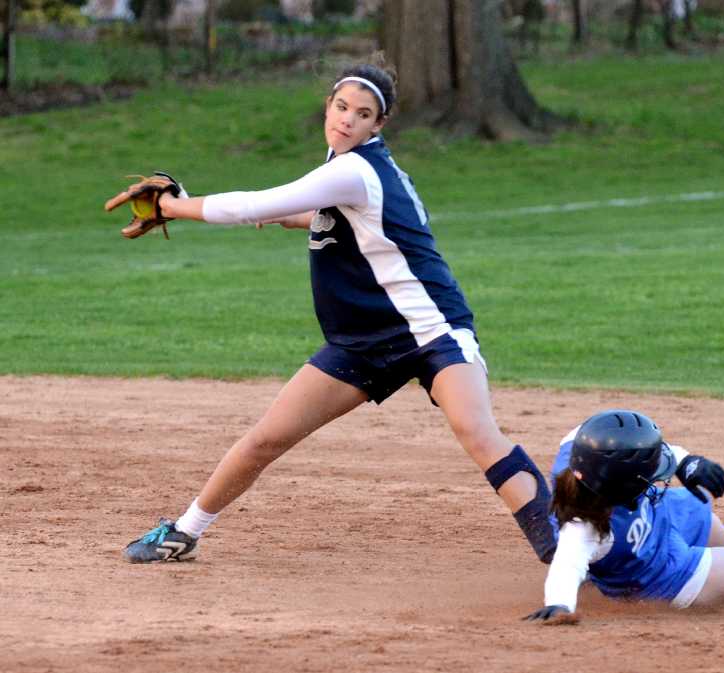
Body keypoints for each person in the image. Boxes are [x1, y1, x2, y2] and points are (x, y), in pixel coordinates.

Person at [119, 59, 557, 565]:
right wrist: (288, 218)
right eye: (342, 106)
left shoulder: (356, 170)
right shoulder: (352, 171)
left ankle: (563, 548)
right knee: (267, 438)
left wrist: (175, 206)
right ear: (328, 106)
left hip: (432, 330)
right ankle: (183, 532)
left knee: (477, 431)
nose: (348, 119)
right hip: (362, 342)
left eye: (362, 114)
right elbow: (334, 217)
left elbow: (254, 205)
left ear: (378, 125)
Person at [524, 410, 724, 623]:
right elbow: (566, 564)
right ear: (628, 486)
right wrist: (559, 605)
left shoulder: (583, 447)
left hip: (658, 519)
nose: (661, 469)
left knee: (703, 516)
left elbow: (630, 444)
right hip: (662, 576)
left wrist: (686, 462)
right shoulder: (585, 528)